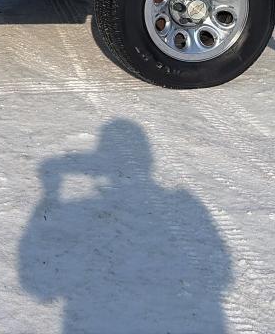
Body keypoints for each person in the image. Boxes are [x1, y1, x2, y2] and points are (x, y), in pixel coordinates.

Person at [18, 119, 232, 334]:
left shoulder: (178, 206)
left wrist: (51, 191)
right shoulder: (184, 205)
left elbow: (38, 285)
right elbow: (219, 273)